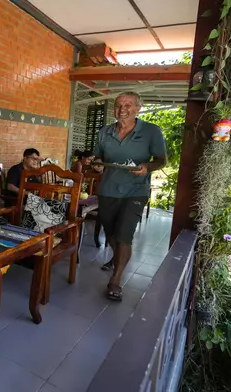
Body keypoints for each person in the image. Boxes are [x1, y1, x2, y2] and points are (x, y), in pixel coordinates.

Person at [93, 92, 166, 301]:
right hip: (108, 189)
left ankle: (115, 280)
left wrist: (147, 167)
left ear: (138, 108)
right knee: (112, 234)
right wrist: (97, 163)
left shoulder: (151, 131)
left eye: (128, 105)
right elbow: (99, 156)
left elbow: (162, 160)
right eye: (118, 105)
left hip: (136, 190)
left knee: (124, 234)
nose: (122, 109)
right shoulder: (105, 132)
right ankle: (117, 259)